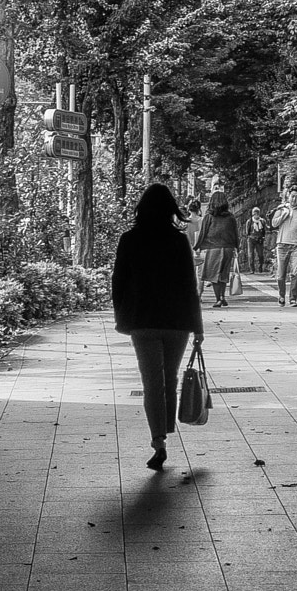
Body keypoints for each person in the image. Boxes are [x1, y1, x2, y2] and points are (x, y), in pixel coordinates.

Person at [111, 181, 205, 471]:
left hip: (143, 321)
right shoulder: (178, 241)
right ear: (170, 210)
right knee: (170, 378)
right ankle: (165, 430)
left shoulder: (130, 239)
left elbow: (118, 283)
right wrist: (198, 327)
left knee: (151, 383)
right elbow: (191, 286)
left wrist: (122, 317)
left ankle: (158, 441)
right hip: (176, 322)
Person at [195, 184, 240, 307]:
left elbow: (203, 233)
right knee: (223, 273)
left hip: (212, 248)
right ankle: (222, 297)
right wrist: (237, 247)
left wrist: (197, 247)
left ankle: (218, 299)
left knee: (214, 273)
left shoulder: (209, 216)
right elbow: (235, 233)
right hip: (228, 248)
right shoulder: (230, 217)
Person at [270, 189, 297, 307]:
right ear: (288, 196)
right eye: (292, 196)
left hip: (296, 245)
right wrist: (283, 216)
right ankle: (282, 295)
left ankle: (293, 299)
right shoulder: (282, 208)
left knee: (295, 272)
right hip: (282, 244)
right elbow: (274, 223)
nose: (294, 199)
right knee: (281, 274)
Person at [246, 202, 268, 273]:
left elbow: (264, 230)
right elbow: (247, 231)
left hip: (259, 239)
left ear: (259, 213)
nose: (256, 215)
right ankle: (252, 269)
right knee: (250, 255)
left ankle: (260, 268)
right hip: (251, 239)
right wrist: (250, 236)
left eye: (257, 213)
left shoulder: (262, 221)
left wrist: (263, 237)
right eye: (254, 213)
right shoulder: (249, 221)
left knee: (260, 255)